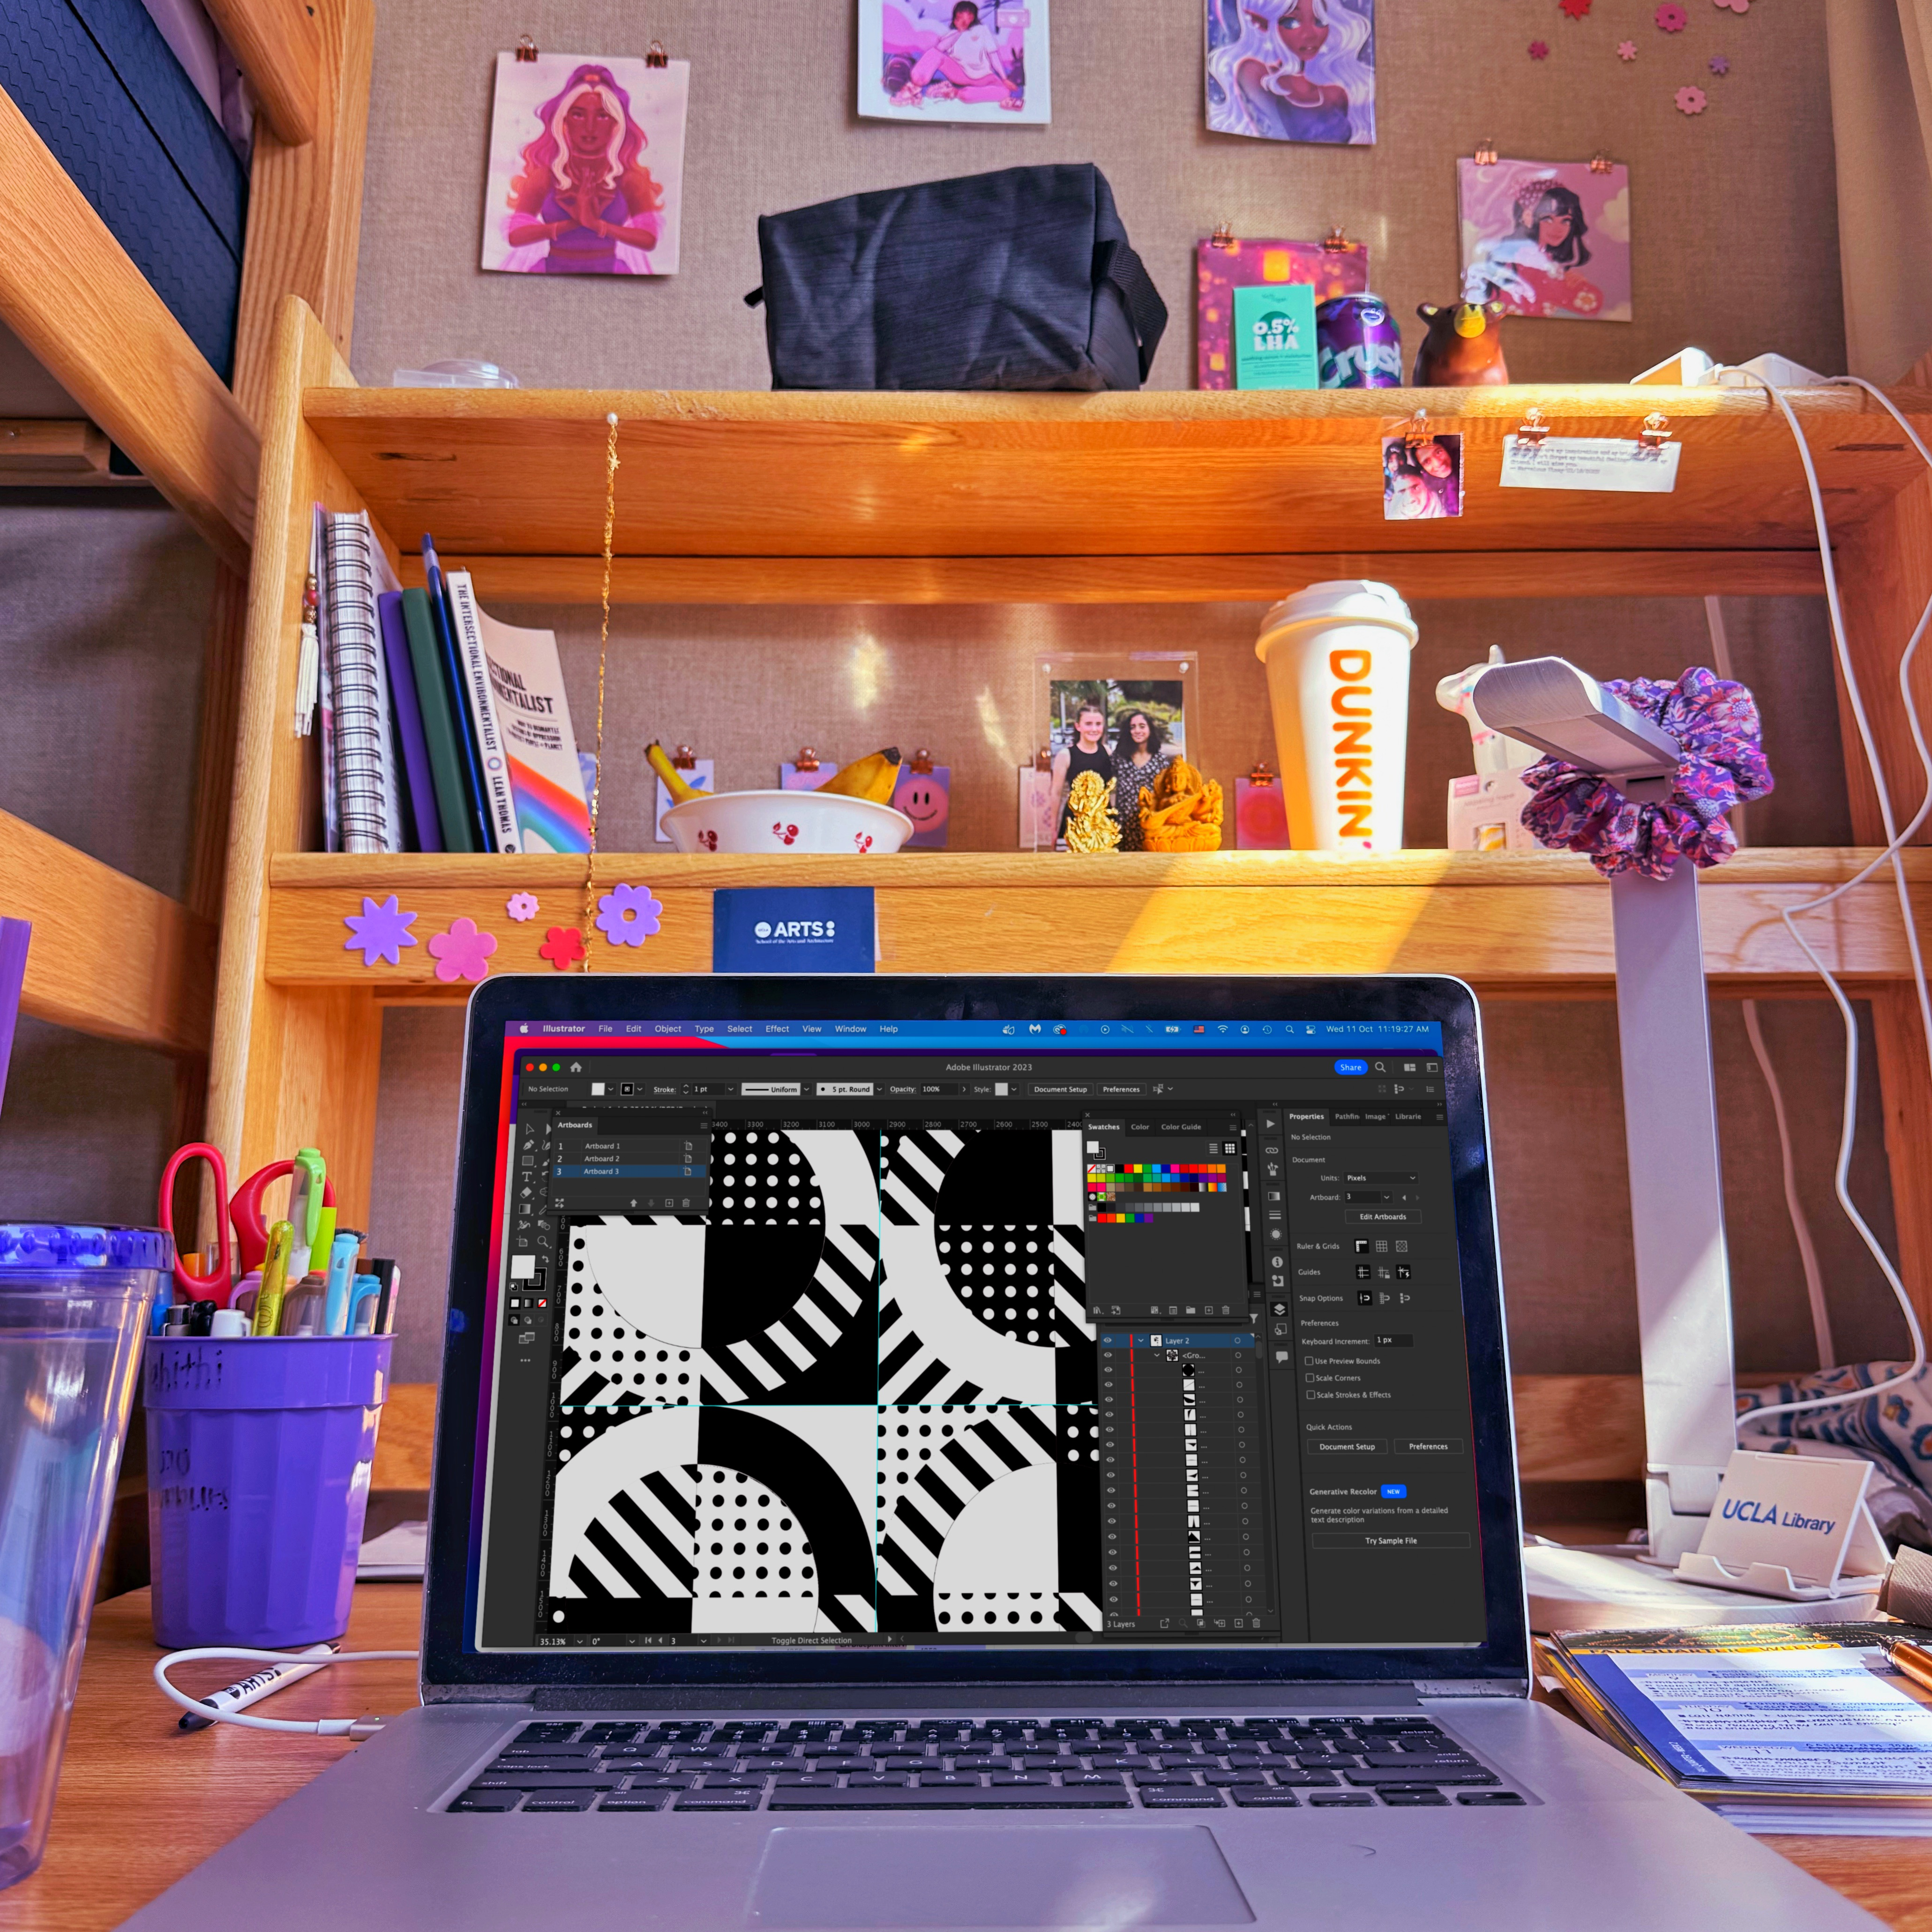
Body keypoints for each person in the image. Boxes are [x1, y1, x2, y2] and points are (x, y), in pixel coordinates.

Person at [505, 64, 666, 273]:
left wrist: (597, 225)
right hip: (552, 275)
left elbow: (649, 240)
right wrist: (573, 223)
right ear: (564, 122)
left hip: (611, 276)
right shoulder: (545, 176)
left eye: (602, 116)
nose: (590, 128)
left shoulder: (628, 179)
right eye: (579, 115)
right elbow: (516, 235)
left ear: (616, 125)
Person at [1205, 0, 1376, 146]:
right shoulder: (1254, 73)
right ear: (1264, 23)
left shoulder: (1336, 95)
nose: (1310, 35)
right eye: (1291, 23)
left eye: (1320, 22)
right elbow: (1275, 129)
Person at [1464, 178, 1604, 319]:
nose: (1559, 229)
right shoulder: (1513, 259)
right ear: (1527, 217)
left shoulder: (1551, 263)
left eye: (1566, 221)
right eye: (1548, 219)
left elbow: (1592, 303)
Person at [895, 2, 1024, 108]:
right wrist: (959, 32)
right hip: (960, 74)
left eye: (967, 19)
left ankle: (956, 93)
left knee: (1005, 92)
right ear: (955, 19)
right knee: (934, 53)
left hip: (984, 77)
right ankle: (913, 88)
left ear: (973, 18)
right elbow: (938, 50)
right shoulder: (951, 36)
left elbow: (993, 56)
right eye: (959, 19)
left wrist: (1003, 77)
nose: (963, 22)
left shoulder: (982, 31)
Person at [1110, 710, 1173, 851]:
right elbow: (1109, 788)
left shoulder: (1160, 761)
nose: (1137, 731)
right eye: (1133, 727)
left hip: (1150, 825)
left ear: (1150, 729)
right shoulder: (1119, 758)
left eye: (1142, 726)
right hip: (1123, 826)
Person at [1052, 701, 1115, 844]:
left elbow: (1112, 791)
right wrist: (1051, 829)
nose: (1094, 729)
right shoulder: (1066, 755)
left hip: (1103, 822)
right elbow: (1055, 793)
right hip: (1075, 822)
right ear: (1078, 726)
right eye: (1088, 724)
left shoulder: (1108, 752)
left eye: (1098, 724)